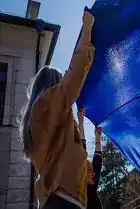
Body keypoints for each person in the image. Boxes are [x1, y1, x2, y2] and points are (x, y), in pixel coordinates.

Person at [19, 11, 95, 209]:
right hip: (64, 198)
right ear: (52, 85)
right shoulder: (49, 101)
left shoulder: (36, 120)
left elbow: (60, 152)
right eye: (59, 83)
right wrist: (87, 29)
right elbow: (75, 74)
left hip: (54, 199)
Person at [77, 109, 103, 209]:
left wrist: (98, 138)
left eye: (91, 171)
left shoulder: (90, 190)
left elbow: (97, 164)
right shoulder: (81, 192)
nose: (93, 173)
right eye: (89, 171)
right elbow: (82, 152)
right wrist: (80, 121)